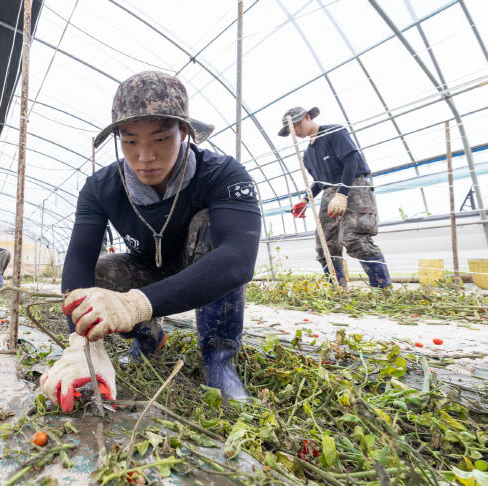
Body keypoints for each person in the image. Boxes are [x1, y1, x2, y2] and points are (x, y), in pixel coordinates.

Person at [40, 71, 261, 413]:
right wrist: (82, 345)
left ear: (183, 132)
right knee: (96, 277)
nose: (145, 157)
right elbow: (78, 264)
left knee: (213, 230)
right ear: (117, 139)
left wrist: (132, 305)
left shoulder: (222, 174)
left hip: (202, 266)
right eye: (130, 141)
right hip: (146, 268)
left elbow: (239, 258)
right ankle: (147, 340)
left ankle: (218, 357)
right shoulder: (101, 187)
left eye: (159, 140)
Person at [278, 106, 391, 288]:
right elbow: (318, 181)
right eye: (291, 131)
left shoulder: (333, 132)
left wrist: (343, 194)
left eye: (296, 126)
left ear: (307, 117)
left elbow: (351, 161)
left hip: (354, 187)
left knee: (355, 238)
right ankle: (337, 291)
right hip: (329, 193)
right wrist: (304, 200)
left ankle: (383, 290)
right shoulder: (308, 154)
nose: (295, 132)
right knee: (326, 244)